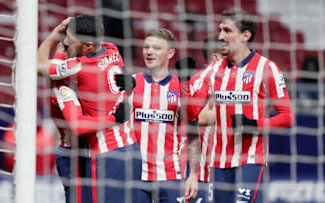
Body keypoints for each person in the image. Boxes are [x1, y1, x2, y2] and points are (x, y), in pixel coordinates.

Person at [37, 15, 141, 203]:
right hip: (128, 148)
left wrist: (56, 33)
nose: (67, 42)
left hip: (104, 153)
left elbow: (38, 65)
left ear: (88, 46)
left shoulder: (78, 67)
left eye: (71, 40)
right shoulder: (112, 49)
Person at [199, 9, 294, 202]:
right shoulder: (213, 70)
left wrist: (255, 125)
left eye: (227, 30)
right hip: (217, 160)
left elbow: (287, 116)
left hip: (250, 159)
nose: (220, 36)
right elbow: (194, 110)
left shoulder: (267, 68)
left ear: (245, 35)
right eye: (220, 30)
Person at [116, 28, 191, 202]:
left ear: (171, 53)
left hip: (171, 175)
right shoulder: (130, 83)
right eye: (146, 47)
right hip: (135, 174)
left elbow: (193, 128)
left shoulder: (181, 87)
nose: (149, 52)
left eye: (156, 48)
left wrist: (191, 173)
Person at [183, 34, 224, 203]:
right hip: (202, 173)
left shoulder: (230, 80)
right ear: (216, 57)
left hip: (220, 170)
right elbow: (195, 117)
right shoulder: (204, 79)